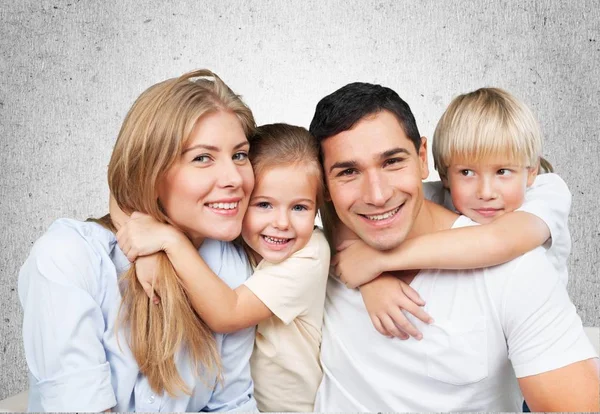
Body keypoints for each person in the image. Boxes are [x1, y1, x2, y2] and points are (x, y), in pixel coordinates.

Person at [309, 82, 599, 411]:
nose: (377, 195)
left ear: (422, 157)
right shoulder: (316, 252)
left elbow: (498, 241)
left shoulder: (519, 264)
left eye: (392, 162)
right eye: (348, 171)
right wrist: (369, 275)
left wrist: (377, 262)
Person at [18, 69, 258, 412]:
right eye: (202, 158)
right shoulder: (69, 257)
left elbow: (231, 404)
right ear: (150, 171)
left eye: (239, 155)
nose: (235, 178)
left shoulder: (231, 266)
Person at [115, 123, 330, 412]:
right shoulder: (231, 232)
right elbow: (120, 193)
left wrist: (169, 241)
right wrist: (142, 251)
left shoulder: (310, 254)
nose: (282, 223)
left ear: (317, 208)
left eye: (300, 208)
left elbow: (228, 314)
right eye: (264, 204)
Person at [332, 87, 571, 341]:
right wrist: (373, 282)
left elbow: (497, 240)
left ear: (531, 171)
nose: (486, 192)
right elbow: (351, 214)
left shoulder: (546, 192)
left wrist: (379, 262)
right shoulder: (431, 196)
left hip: (540, 333)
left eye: (503, 171)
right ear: (445, 175)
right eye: (467, 172)